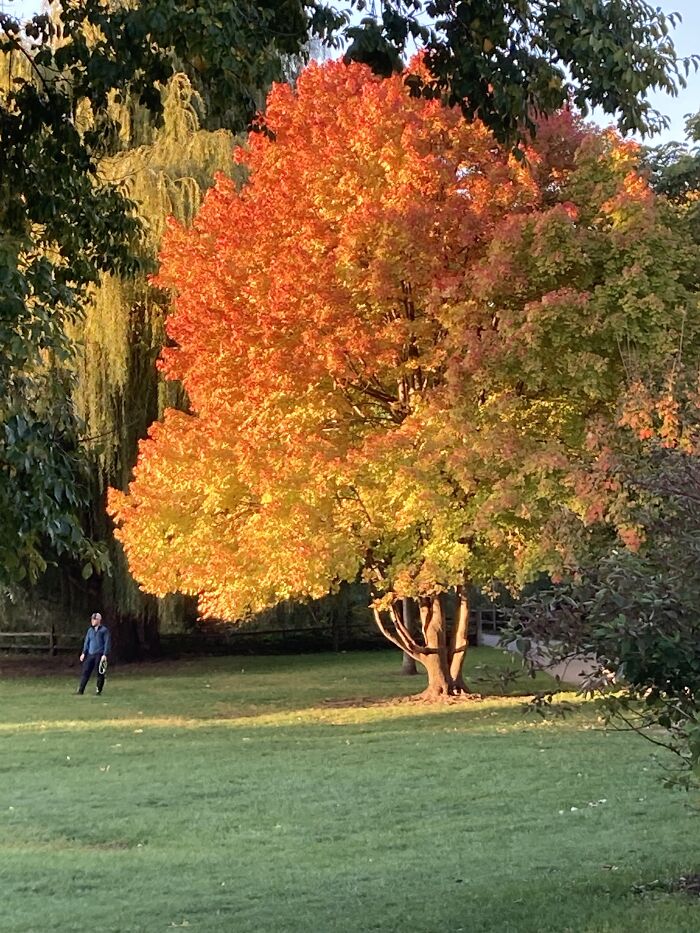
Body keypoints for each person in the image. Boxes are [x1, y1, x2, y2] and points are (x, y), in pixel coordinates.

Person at [76, 612, 111, 695]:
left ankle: (98, 690)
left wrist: (105, 654)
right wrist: (84, 653)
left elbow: (107, 642)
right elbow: (86, 642)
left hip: (99, 654)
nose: (93, 621)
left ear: (99, 620)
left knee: (100, 672)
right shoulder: (90, 630)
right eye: (92, 619)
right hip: (90, 654)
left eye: (95, 619)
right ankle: (81, 690)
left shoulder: (104, 630)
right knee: (85, 671)